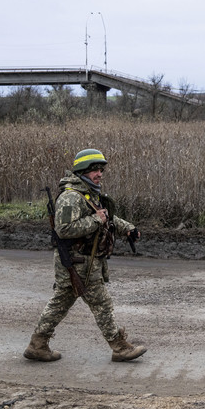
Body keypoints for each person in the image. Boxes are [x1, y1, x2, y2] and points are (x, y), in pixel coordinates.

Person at [24, 148, 146, 363]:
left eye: (101, 170)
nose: (99, 174)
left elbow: (106, 217)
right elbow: (64, 230)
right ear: (82, 171)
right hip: (78, 262)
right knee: (102, 304)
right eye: (95, 170)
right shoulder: (71, 197)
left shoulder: (88, 194)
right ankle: (119, 347)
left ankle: (37, 345)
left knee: (60, 303)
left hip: (83, 262)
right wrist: (96, 221)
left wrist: (127, 229)